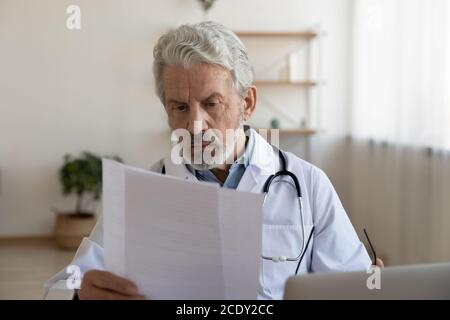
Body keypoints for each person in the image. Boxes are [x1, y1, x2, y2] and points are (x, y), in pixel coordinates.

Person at [44, 21, 383, 300]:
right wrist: (80, 294)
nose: (194, 124)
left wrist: (368, 289)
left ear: (247, 103)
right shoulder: (139, 194)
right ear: (166, 112)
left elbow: (349, 285)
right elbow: (60, 287)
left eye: (211, 104)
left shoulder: (308, 184)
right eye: (180, 106)